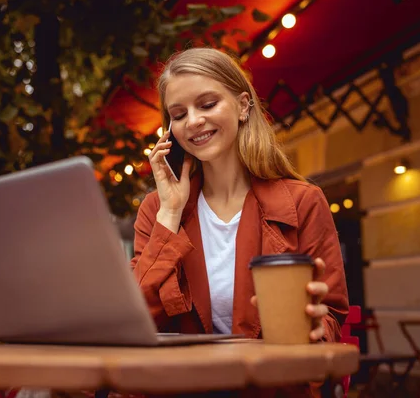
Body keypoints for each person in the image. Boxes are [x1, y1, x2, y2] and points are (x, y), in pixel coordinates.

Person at [130, 48, 349, 396]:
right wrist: (170, 213)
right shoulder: (158, 209)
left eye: (207, 104)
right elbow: (134, 322)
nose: (194, 121)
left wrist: (312, 328)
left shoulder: (303, 201)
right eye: (179, 113)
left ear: (244, 106)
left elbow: (333, 316)